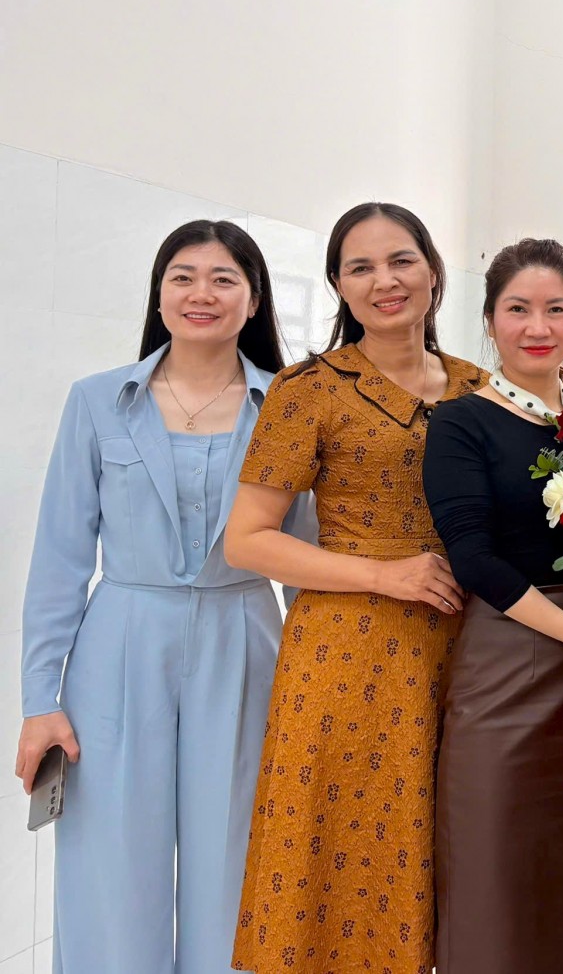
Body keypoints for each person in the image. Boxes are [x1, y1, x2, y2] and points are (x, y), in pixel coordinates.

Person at [16, 220, 310, 974]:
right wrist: (39, 700)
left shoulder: (289, 405)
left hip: (246, 638)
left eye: (223, 279)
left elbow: (307, 559)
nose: (200, 293)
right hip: (119, 643)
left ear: (254, 300)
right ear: (159, 294)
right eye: (182, 277)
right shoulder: (97, 401)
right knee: (110, 861)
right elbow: (59, 561)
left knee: (239, 855)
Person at [226, 203, 485, 974]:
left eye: (400, 260)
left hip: (472, 653)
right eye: (360, 267)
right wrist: (384, 574)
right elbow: (247, 540)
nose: (384, 281)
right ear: (339, 284)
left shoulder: (482, 388)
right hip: (348, 659)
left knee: (459, 857)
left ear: (433, 270)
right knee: (346, 867)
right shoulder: (308, 390)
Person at [422, 237, 563, 973]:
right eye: (518, 309)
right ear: (490, 319)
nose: (538, 327)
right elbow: (473, 559)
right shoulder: (459, 422)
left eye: (556, 308)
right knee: (498, 874)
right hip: (508, 659)